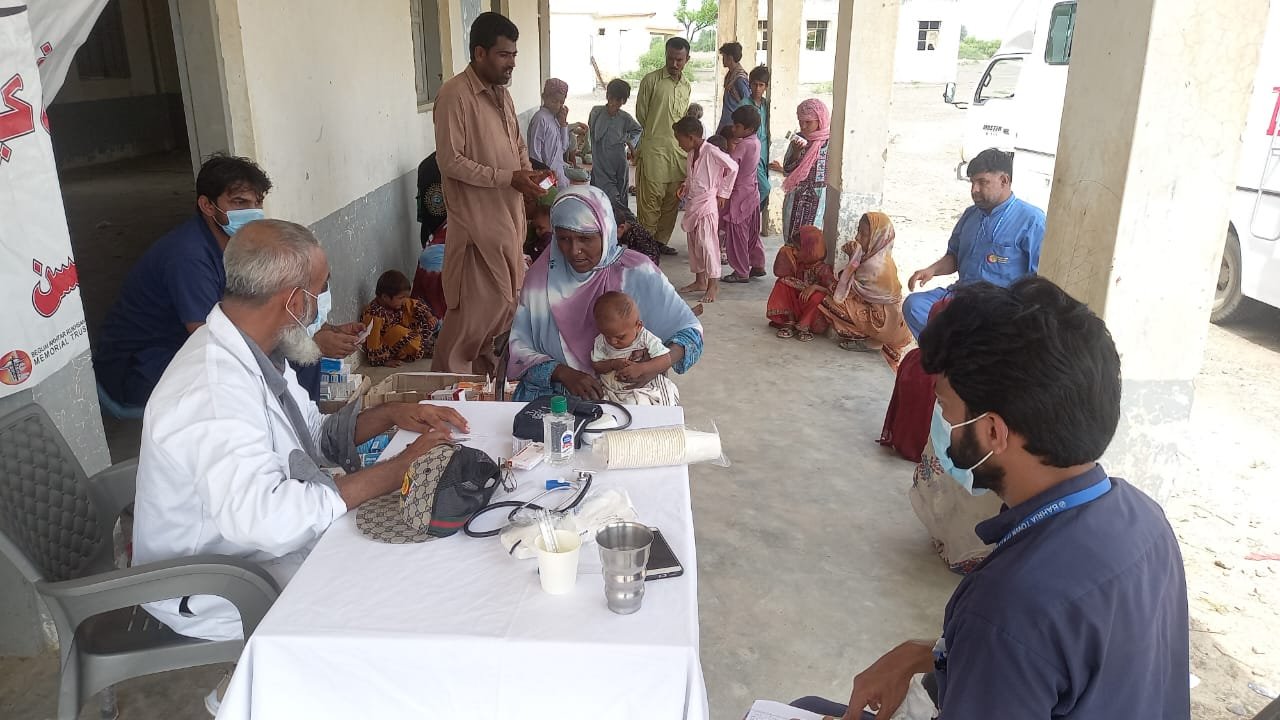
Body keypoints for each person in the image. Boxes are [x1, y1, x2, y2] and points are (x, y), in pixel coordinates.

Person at [789, 277, 1189, 720]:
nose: (943, 427)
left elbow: (1019, 636)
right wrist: (927, 653)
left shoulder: (1008, 605)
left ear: (994, 432)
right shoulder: (1144, 517)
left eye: (946, 412)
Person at [133, 219, 469, 644]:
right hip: (216, 584)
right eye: (320, 290)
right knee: (392, 587)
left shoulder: (258, 351)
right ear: (294, 301)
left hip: (252, 547)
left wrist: (392, 413)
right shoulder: (213, 392)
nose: (321, 306)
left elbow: (312, 434)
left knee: (402, 543)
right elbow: (268, 520)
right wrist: (399, 468)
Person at [94, 154, 363, 407]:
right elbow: (214, 342)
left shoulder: (240, 245)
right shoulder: (187, 257)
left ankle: (330, 402)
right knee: (275, 352)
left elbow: (269, 307)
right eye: (239, 203)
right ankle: (310, 413)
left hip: (186, 345)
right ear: (207, 206)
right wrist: (313, 342)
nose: (252, 212)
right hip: (140, 365)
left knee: (289, 340)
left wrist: (321, 328)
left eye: (257, 203)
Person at [507, 186, 702, 402]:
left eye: (585, 238)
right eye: (563, 239)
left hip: (629, 392)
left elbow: (690, 333)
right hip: (555, 396)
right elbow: (519, 350)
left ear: (606, 232)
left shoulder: (636, 271)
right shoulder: (541, 278)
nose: (574, 251)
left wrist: (654, 366)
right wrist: (563, 373)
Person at [432, 11, 546, 375]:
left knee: (502, 311)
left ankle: (482, 388)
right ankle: (445, 390)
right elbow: (450, 161)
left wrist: (529, 177)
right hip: (476, 228)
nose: (511, 63)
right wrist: (507, 177)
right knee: (472, 318)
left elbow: (517, 145)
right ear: (479, 53)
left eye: (514, 55)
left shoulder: (503, 95)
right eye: (503, 55)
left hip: (508, 221)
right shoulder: (454, 95)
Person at [902, 147, 1045, 337]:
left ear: (1004, 180)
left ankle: (956, 348)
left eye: (982, 182)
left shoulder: (1032, 220)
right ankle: (955, 350)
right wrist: (932, 270)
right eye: (972, 182)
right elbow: (954, 256)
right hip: (961, 297)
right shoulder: (970, 215)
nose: (974, 190)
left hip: (1000, 309)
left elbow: (1039, 280)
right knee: (915, 306)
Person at [818, 212, 913, 368]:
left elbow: (845, 288)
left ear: (877, 238)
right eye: (858, 231)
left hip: (883, 322)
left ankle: (869, 340)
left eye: (863, 234)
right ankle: (877, 340)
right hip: (893, 320)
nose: (857, 237)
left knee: (830, 302)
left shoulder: (874, 267)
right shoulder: (883, 258)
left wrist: (852, 259)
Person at [635, 36, 692, 256]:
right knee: (650, 202)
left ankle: (660, 242)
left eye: (679, 60)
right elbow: (642, 114)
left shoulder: (686, 86)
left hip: (678, 154)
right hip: (654, 152)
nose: (674, 64)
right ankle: (645, 245)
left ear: (687, 59)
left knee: (671, 202)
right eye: (670, 59)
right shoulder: (651, 81)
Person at [673, 116, 737, 303]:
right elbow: (693, 176)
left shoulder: (711, 151)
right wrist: (685, 186)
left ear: (691, 137)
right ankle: (700, 281)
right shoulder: (692, 154)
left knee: (707, 244)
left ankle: (713, 285)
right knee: (694, 243)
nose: (679, 144)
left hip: (707, 203)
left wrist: (723, 193)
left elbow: (733, 167)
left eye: (680, 139)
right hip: (693, 202)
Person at [590, 291, 680, 405]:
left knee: (663, 397)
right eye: (607, 336)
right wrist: (612, 364)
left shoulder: (645, 337)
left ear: (638, 326)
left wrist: (641, 368)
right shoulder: (601, 341)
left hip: (645, 386)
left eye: (620, 337)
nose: (613, 341)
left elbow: (666, 359)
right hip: (613, 390)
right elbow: (596, 365)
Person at [772, 99, 830, 246]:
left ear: (820, 120)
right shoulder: (798, 140)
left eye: (808, 122)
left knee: (811, 240)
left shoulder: (829, 142)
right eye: (801, 121)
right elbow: (787, 170)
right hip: (795, 196)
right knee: (791, 237)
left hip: (817, 197)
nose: (803, 126)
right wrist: (796, 153)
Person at [721, 106, 767, 284]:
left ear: (749, 129)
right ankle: (758, 264)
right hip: (752, 192)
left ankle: (741, 271)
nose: (733, 129)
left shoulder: (743, 145)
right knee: (752, 233)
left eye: (737, 126)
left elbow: (730, 168)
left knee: (737, 234)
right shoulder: (756, 142)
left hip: (739, 195)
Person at [767, 226, 835, 341]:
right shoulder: (799, 263)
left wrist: (815, 287)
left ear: (810, 250)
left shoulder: (824, 269)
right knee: (782, 283)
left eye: (798, 249)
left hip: (811, 310)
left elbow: (834, 290)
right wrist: (785, 251)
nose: (794, 252)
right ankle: (789, 321)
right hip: (796, 305)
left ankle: (804, 325)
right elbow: (780, 272)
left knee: (819, 297)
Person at [361, 270, 439, 367]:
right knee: (399, 332)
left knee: (422, 318)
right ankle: (420, 348)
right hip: (389, 345)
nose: (404, 300)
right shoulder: (374, 315)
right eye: (401, 298)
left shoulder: (396, 303)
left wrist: (429, 317)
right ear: (385, 297)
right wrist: (384, 361)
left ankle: (422, 345)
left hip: (406, 335)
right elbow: (373, 342)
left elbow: (415, 305)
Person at [588, 79, 642, 206]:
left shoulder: (625, 118)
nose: (614, 103)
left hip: (618, 164)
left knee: (618, 200)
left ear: (624, 101)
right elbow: (593, 133)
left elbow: (638, 130)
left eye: (619, 100)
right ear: (607, 96)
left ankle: (620, 218)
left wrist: (629, 143)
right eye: (612, 98)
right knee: (599, 200)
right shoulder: (596, 112)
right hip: (600, 163)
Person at [527, 78, 586, 189]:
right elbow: (534, 155)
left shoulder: (555, 119)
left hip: (558, 175)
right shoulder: (540, 119)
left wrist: (563, 124)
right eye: (554, 101)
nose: (557, 105)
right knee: (549, 199)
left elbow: (564, 147)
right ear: (544, 97)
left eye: (561, 102)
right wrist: (544, 178)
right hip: (546, 177)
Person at [738, 65, 771, 217]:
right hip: (750, 152)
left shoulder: (766, 105)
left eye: (761, 85)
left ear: (766, 87)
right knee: (764, 188)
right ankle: (745, 213)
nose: (757, 88)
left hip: (764, 153)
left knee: (758, 187)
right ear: (749, 85)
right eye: (754, 84)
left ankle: (750, 216)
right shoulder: (744, 104)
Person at [613, 200, 663, 264]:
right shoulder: (622, 231)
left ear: (621, 227)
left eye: (613, 233)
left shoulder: (638, 235)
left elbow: (652, 258)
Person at [415, 153, 447, 248]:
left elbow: (422, 209)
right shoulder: (455, 163)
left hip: (430, 235)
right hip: (445, 237)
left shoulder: (424, 165)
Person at [718, 42, 750, 131]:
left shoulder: (740, 79)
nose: (722, 60)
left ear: (730, 58)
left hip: (733, 124)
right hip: (726, 120)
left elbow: (747, 102)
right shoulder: (730, 75)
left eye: (724, 57)